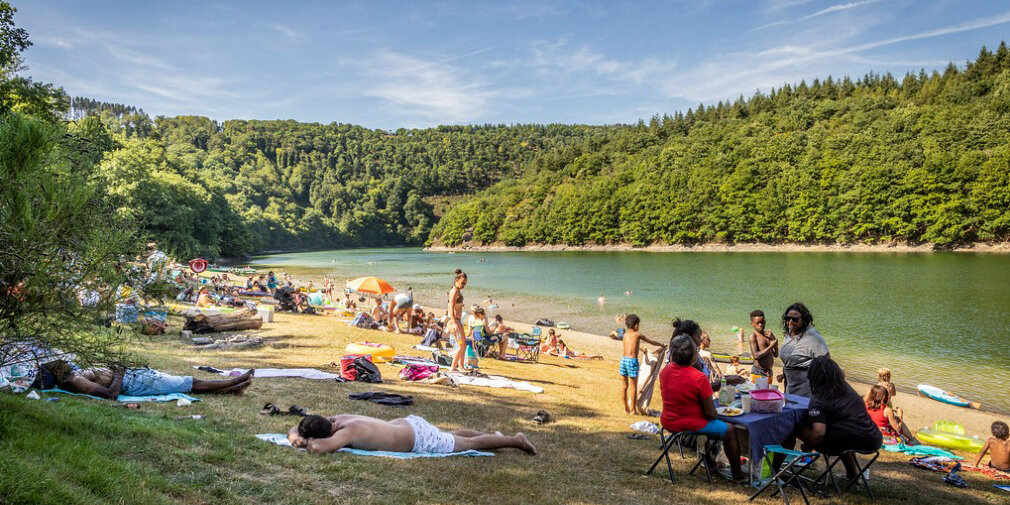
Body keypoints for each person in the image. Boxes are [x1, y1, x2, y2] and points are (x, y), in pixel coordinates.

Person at [660, 334, 745, 482]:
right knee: (729, 430)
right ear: (694, 357)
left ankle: (710, 463)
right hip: (688, 424)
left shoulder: (665, 371)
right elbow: (711, 414)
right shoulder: (698, 378)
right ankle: (738, 475)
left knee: (711, 425)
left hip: (668, 421)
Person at [792, 356, 881, 481]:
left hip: (849, 440)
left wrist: (807, 447)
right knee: (844, 435)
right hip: (873, 438)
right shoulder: (847, 389)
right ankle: (852, 475)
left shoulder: (819, 399)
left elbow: (818, 433)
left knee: (795, 426)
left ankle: (779, 466)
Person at [288, 414, 537, 455]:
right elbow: (300, 428)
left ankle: (515, 440)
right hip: (409, 425)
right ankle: (496, 435)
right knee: (452, 434)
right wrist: (295, 431)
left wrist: (300, 441)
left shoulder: (346, 432)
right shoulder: (337, 419)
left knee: (468, 443)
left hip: (417, 438)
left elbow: (320, 448)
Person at [48, 362, 254, 398]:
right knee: (188, 382)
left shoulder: (74, 374)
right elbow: (110, 395)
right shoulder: (76, 381)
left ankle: (231, 388)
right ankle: (233, 382)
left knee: (182, 382)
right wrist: (119, 371)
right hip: (135, 383)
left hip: (134, 376)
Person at [778, 302, 829, 397]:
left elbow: (826, 361)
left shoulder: (812, 336)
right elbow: (791, 358)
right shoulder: (789, 333)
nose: (790, 321)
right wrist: (784, 373)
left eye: (795, 319)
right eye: (787, 318)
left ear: (804, 320)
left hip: (806, 388)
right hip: (790, 386)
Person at [620, 314, 665, 415]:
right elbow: (651, 342)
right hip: (632, 361)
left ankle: (626, 409)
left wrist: (640, 348)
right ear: (636, 325)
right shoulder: (637, 335)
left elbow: (630, 346)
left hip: (623, 360)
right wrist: (662, 345)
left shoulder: (625, 335)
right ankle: (633, 410)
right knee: (633, 386)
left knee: (624, 385)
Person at [748, 310, 778, 383]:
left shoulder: (768, 335)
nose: (760, 325)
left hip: (769, 371)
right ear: (752, 324)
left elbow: (776, 354)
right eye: (757, 323)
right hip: (758, 372)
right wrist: (771, 346)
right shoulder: (753, 336)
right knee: (758, 394)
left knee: (767, 393)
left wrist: (774, 340)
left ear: (765, 322)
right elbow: (756, 356)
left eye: (762, 322)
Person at [447, 269, 468, 372]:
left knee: (463, 344)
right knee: (461, 345)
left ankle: (461, 366)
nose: (464, 285)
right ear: (457, 280)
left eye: (465, 283)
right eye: (462, 283)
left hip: (458, 320)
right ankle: (453, 367)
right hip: (454, 321)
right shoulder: (454, 291)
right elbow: (450, 307)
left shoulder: (457, 290)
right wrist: (454, 322)